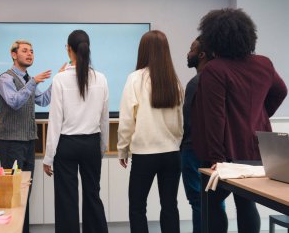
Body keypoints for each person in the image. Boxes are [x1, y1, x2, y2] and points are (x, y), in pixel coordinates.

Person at [191, 8, 288, 233]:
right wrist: (260, 117)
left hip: (224, 153)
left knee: (213, 204)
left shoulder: (215, 69)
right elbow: (281, 92)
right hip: (257, 151)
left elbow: (214, 117)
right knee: (247, 203)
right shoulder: (264, 64)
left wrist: (216, 158)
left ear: (213, 38)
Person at [117, 30, 183, 233]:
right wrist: (174, 144)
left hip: (145, 155)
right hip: (172, 154)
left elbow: (127, 120)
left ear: (143, 51)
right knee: (170, 206)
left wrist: (122, 149)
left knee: (137, 208)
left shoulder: (135, 78)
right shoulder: (175, 82)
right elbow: (180, 123)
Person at [43, 30, 109, 233]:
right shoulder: (101, 79)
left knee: (66, 199)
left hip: (66, 146)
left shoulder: (60, 79)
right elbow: (104, 119)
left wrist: (48, 158)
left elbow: (55, 121)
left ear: (69, 49)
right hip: (91, 144)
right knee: (92, 195)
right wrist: (102, 147)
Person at [0, 39, 57, 233]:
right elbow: (14, 101)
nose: (30, 54)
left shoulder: (28, 80)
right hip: (11, 142)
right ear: (14, 55)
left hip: (29, 141)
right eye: (25, 51)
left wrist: (58, 81)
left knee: (25, 193)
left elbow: (43, 100)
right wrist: (33, 82)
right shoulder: (5, 78)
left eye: (32, 51)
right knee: (13, 194)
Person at [180, 36, 212, 233]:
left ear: (201, 55)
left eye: (191, 50)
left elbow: (187, 122)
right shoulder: (218, 79)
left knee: (198, 202)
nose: (188, 53)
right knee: (214, 201)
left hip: (192, 151)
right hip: (213, 152)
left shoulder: (195, 83)